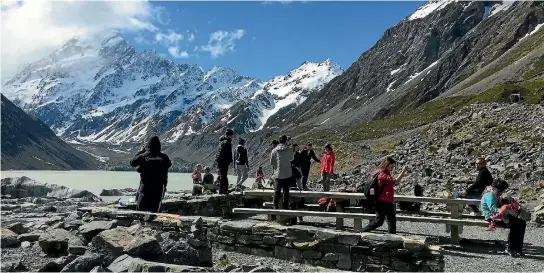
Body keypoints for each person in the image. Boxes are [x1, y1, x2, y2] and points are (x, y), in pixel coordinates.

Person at [360, 157, 408, 234]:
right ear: (387, 165)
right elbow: (395, 182)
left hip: (386, 200)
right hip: (383, 201)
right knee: (379, 221)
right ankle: (361, 231)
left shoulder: (379, 172)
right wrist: (404, 171)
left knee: (391, 219)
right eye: (391, 166)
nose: (392, 167)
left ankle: (392, 237)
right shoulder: (384, 175)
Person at [480, 180, 526, 257]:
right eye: (502, 190)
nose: (502, 192)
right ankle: (511, 248)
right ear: (498, 189)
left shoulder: (494, 194)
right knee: (514, 224)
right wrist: (509, 211)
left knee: (521, 223)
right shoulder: (489, 195)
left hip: (499, 215)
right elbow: (493, 209)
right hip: (492, 217)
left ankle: (518, 247)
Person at [130, 136, 172, 213]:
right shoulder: (164, 157)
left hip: (146, 186)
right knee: (155, 209)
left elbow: (132, 162)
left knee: (141, 208)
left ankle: (140, 224)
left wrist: (140, 152)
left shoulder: (143, 156)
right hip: (159, 186)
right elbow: (169, 165)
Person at [270, 135, 293, 219]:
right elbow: (292, 158)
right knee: (286, 191)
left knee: (276, 191)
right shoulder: (289, 149)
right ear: (286, 141)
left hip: (277, 174)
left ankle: (275, 207)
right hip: (287, 173)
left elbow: (271, 162)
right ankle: (285, 206)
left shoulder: (274, 150)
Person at [215, 129, 235, 194]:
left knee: (222, 175)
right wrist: (231, 161)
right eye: (232, 135)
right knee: (224, 175)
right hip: (224, 161)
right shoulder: (228, 142)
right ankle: (223, 190)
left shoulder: (221, 141)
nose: (233, 136)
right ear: (230, 135)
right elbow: (228, 153)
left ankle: (222, 190)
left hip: (219, 160)